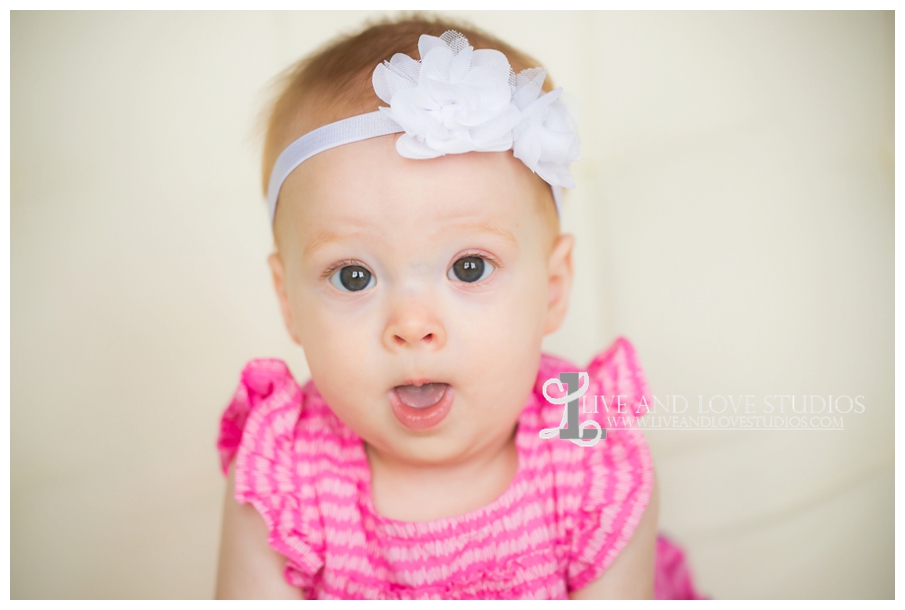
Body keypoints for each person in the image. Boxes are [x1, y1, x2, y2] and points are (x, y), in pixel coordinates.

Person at [214, 15, 704, 600]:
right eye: (353, 276)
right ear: (288, 301)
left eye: (469, 268)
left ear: (552, 288)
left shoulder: (590, 455)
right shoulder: (282, 483)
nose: (412, 326)